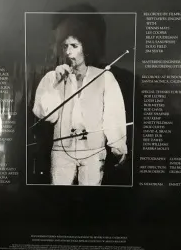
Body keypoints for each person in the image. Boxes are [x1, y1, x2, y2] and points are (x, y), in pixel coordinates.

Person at [32, 15, 127, 186]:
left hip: (94, 151)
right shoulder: (52, 78)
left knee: (90, 198)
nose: (68, 52)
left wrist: (118, 146)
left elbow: (114, 114)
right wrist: (55, 85)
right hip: (61, 150)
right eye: (65, 46)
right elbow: (48, 116)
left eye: (74, 46)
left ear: (86, 47)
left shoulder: (104, 77)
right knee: (59, 196)